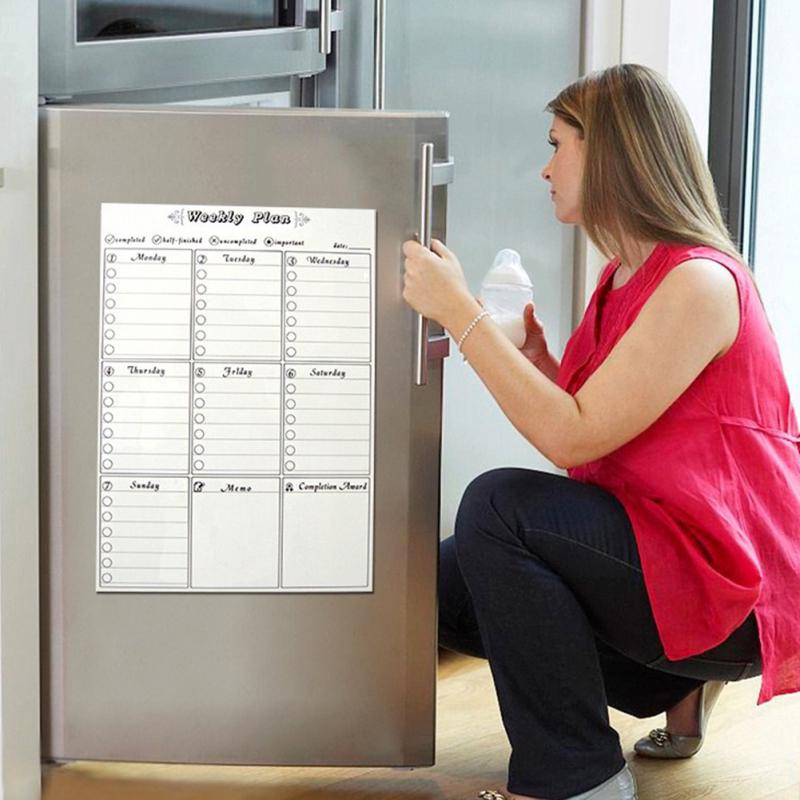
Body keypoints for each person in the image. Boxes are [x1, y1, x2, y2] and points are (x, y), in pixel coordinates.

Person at [402, 63, 800, 800]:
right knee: (441, 587)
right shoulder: (625, 274)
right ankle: (676, 690)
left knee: (496, 507)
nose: (545, 168)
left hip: (729, 588)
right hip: (668, 552)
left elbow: (572, 440)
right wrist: (544, 367)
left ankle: (576, 776)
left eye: (558, 145)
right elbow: (614, 434)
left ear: (612, 152)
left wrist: (463, 316)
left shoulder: (699, 283)